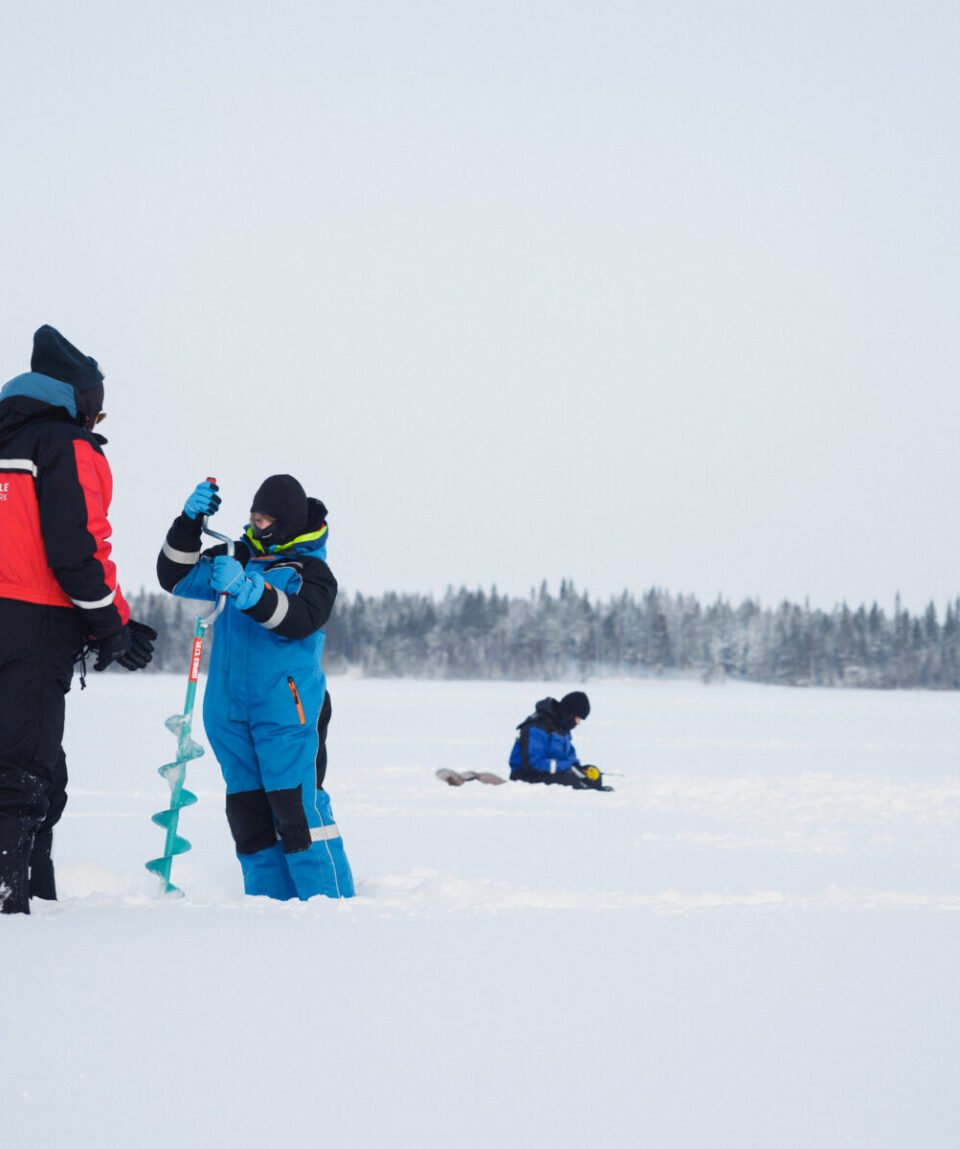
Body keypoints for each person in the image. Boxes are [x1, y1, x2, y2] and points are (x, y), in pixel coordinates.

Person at [0, 325, 156, 914]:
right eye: (98, 402)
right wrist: (113, 625)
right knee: (24, 774)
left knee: (35, 768)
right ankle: (12, 913)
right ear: (76, 396)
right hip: (34, 626)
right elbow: (79, 550)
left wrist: (105, 627)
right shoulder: (64, 446)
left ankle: (37, 896)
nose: (99, 415)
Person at [156, 474, 354, 901]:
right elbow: (173, 575)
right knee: (248, 814)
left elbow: (300, 620)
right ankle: (267, 907)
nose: (255, 525)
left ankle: (328, 904)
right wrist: (189, 522)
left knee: (295, 809)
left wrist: (247, 591)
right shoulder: (235, 555)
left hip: (286, 709)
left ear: (284, 523)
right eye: (253, 517)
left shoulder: (311, 570)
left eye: (264, 520)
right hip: (228, 709)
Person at [508, 691, 610, 790]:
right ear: (570, 713)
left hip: (550, 774)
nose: (578, 723)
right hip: (525, 777)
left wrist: (581, 769)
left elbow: (568, 756)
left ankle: (591, 788)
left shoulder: (562, 728)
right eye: (578, 718)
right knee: (569, 779)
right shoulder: (537, 728)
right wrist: (568, 767)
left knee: (589, 778)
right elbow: (533, 765)